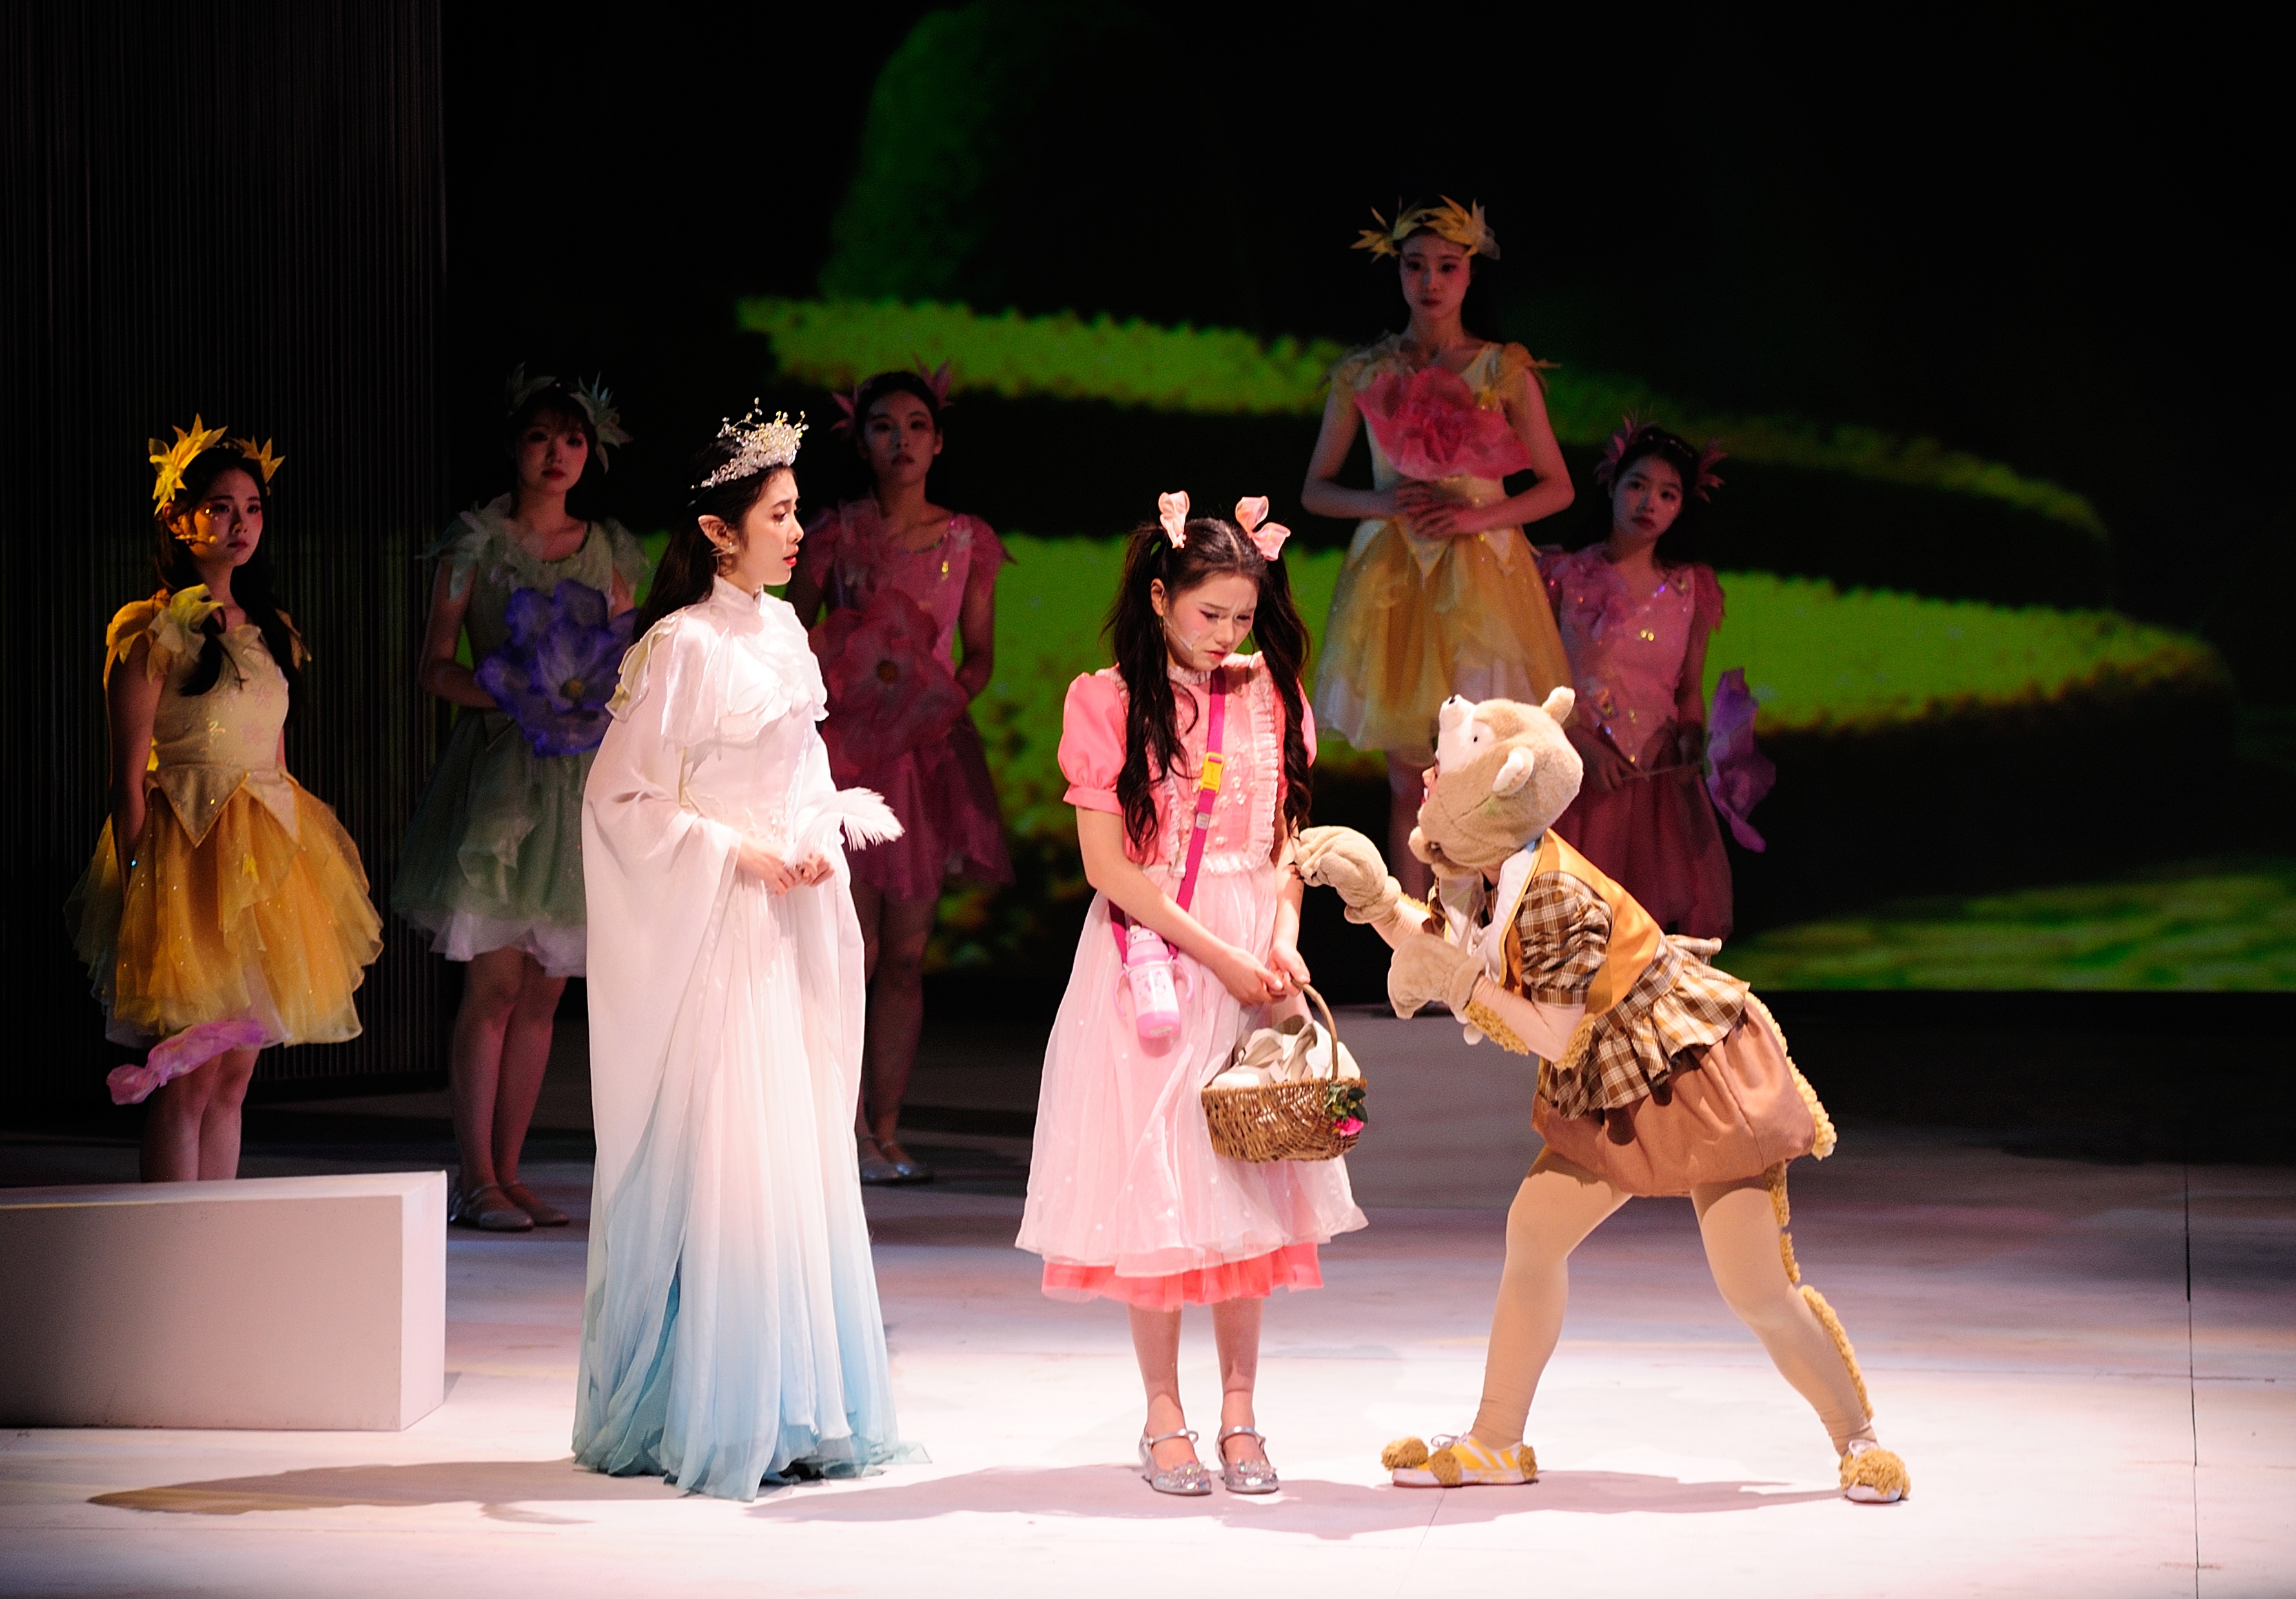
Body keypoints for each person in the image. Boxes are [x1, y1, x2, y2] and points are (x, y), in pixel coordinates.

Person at [1298, 692, 1908, 1504]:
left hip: (1688, 1068)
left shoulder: (1553, 892)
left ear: (1495, 794)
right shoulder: (1487, 867)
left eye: (1448, 767)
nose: (1431, 776)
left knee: (1755, 1284)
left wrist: (1457, 981)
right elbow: (1453, 950)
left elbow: (1548, 1034)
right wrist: (1378, 900)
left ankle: (1857, 1438)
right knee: (1534, 1233)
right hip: (1611, 1072)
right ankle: (1496, 1439)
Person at [575, 405, 914, 1501]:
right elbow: (620, 799)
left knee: (792, 1156)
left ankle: (797, 1400)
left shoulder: (783, 632)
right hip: (718, 930)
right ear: (721, 532)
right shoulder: (682, 645)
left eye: (797, 510)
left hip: (784, 921)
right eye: (779, 514)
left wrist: (814, 837)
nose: (798, 530)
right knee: (729, 1159)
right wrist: (735, 851)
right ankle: (716, 1406)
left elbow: (803, 772)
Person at [1017, 493, 1366, 1498]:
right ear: (1161, 596)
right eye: (1210, 613)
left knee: (1250, 1192)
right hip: (1157, 956)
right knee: (1160, 1195)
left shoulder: (1272, 694)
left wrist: (1284, 937)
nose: (1226, 634)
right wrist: (1220, 956)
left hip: (1252, 954)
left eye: (1243, 617)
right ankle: (1163, 1414)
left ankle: (1241, 1415)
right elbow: (1110, 870)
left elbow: (1285, 842)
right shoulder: (1109, 700)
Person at [68, 421, 382, 1181]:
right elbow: (127, 775)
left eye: (252, 508)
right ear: (177, 518)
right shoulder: (150, 631)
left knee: (235, 1077)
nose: (239, 523)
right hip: (188, 855)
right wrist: (138, 878)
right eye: (219, 507)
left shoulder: (271, 630)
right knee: (189, 1076)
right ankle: (173, 1234)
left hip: (264, 859)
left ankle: (214, 1224)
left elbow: (276, 759)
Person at [394, 371, 649, 1232]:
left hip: (578, 779)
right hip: (503, 777)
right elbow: (434, 665)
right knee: (496, 986)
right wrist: (511, 693)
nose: (557, 454)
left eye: (572, 439)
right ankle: (475, 1176)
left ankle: (509, 1170)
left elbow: (628, 665)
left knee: (545, 992)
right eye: (541, 436)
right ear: (513, 446)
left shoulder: (608, 549)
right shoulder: (475, 545)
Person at [1302, 198, 1575, 902]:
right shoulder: (1365, 372)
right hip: (1397, 580)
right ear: (1397, 270)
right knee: (1408, 778)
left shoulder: (1501, 370)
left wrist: (1475, 516)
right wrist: (1384, 502)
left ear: (1469, 272)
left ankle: (1496, 936)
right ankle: (1415, 939)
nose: (1430, 281)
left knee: (1491, 769)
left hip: (1485, 580)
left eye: (1447, 267)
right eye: (1415, 265)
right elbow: (1315, 489)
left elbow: (1557, 486)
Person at [785, 366, 1012, 1186]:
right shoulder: (834, 533)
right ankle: (838, 1128)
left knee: (906, 955)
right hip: (849, 753)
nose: (902, 440)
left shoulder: (966, 541)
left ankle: (886, 1128)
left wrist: (942, 701)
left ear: (938, 440)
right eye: (884, 426)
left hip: (925, 756)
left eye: (916, 425)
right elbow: (795, 632)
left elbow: (978, 653)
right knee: (855, 948)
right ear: (861, 442)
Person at [1543, 420, 1748, 939]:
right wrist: (1582, 745)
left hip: (1653, 782)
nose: (1648, 503)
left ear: (1681, 507)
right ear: (1613, 484)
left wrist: (1692, 739)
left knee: (1642, 934)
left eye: (1667, 494)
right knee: (1571, 929)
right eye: (1637, 485)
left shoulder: (1690, 588)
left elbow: (1689, 691)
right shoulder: (1562, 576)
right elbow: (1534, 678)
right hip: (1577, 773)